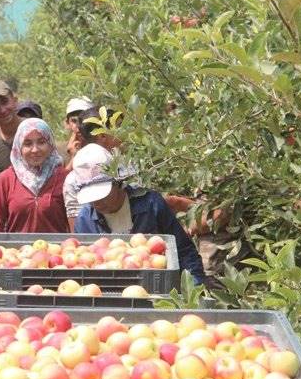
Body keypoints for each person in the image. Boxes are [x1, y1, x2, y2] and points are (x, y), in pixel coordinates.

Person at [72, 144, 207, 284]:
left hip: (155, 289)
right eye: (91, 198)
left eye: (102, 195)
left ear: (118, 182)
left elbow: (183, 252)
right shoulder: (84, 220)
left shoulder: (151, 205)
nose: (97, 202)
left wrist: (195, 289)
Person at [0, 118, 69, 233]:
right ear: (19, 147)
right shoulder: (7, 179)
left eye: (41, 142)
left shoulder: (64, 178)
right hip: (17, 250)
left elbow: (74, 227)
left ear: (50, 144)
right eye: (27, 143)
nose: (35, 150)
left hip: (55, 250)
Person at [63, 106, 128, 230]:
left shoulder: (128, 165)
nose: (125, 133)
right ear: (102, 135)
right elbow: (80, 234)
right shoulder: (74, 179)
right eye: (118, 127)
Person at [63, 96, 94, 168]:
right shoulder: (59, 152)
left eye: (83, 120)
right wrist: (74, 156)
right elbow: (61, 178)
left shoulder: (103, 145)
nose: (79, 125)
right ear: (67, 123)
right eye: (74, 121)